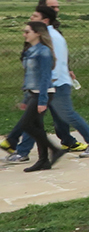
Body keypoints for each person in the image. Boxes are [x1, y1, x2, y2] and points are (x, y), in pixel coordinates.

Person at [3, 5, 89, 160]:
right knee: (33, 120)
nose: (31, 19)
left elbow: (53, 64)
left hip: (55, 85)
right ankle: (22, 152)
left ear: (45, 20)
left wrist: (46, 88)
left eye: (35, 17)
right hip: (45, 86)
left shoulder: (51, 37)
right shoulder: (44, 36)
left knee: (67, 115)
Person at [3, 22, 65, 172]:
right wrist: (26, 98)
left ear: (37, 33)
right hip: (33, 93)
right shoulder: (31, 51)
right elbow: (29, 77)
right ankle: (44, 161)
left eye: (27, 32)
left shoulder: (43, 52)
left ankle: (55, 150)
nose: (24, 34)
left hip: (42, 94)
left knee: (26, 125)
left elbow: (45, 77)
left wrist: (43, 100)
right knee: (37, 126)